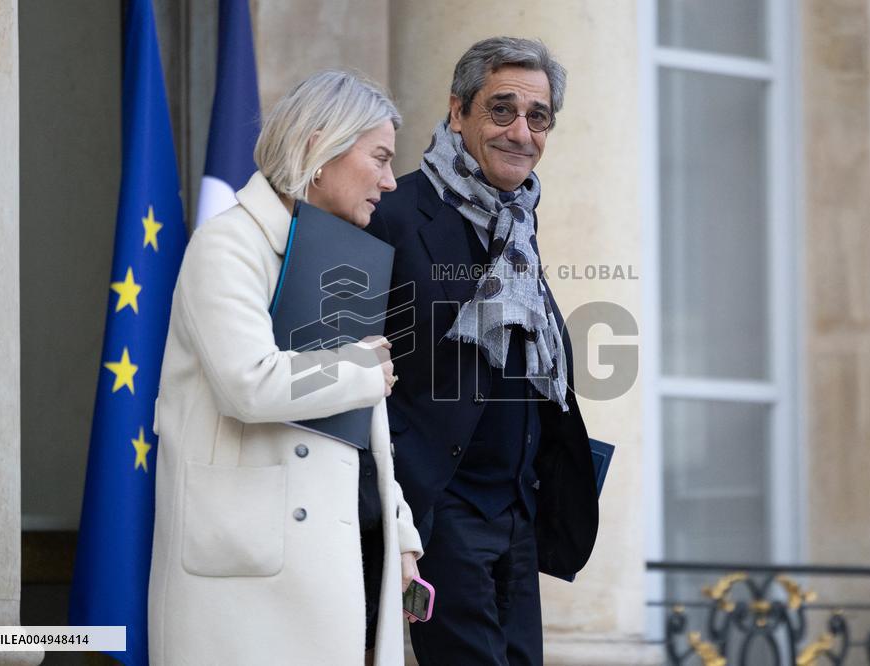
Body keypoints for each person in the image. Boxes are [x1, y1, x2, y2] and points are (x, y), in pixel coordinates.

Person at [148, 70, 422, 666]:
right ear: (319, 148)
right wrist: (361, 370)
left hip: (338, 559)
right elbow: (251, 383)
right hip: (244, 587)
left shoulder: (337, 254)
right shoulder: (227, 245)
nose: (389, 181)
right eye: (378, 158)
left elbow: (361, 432)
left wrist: (399, 532)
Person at [367, 37, 599, 665]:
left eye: (538, 116)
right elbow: (341, 367)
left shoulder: (518, 225)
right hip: (441, 511)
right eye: (502, 110)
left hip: (519, 516)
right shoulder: (390, 213)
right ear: (457, 112)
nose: (521, 131)